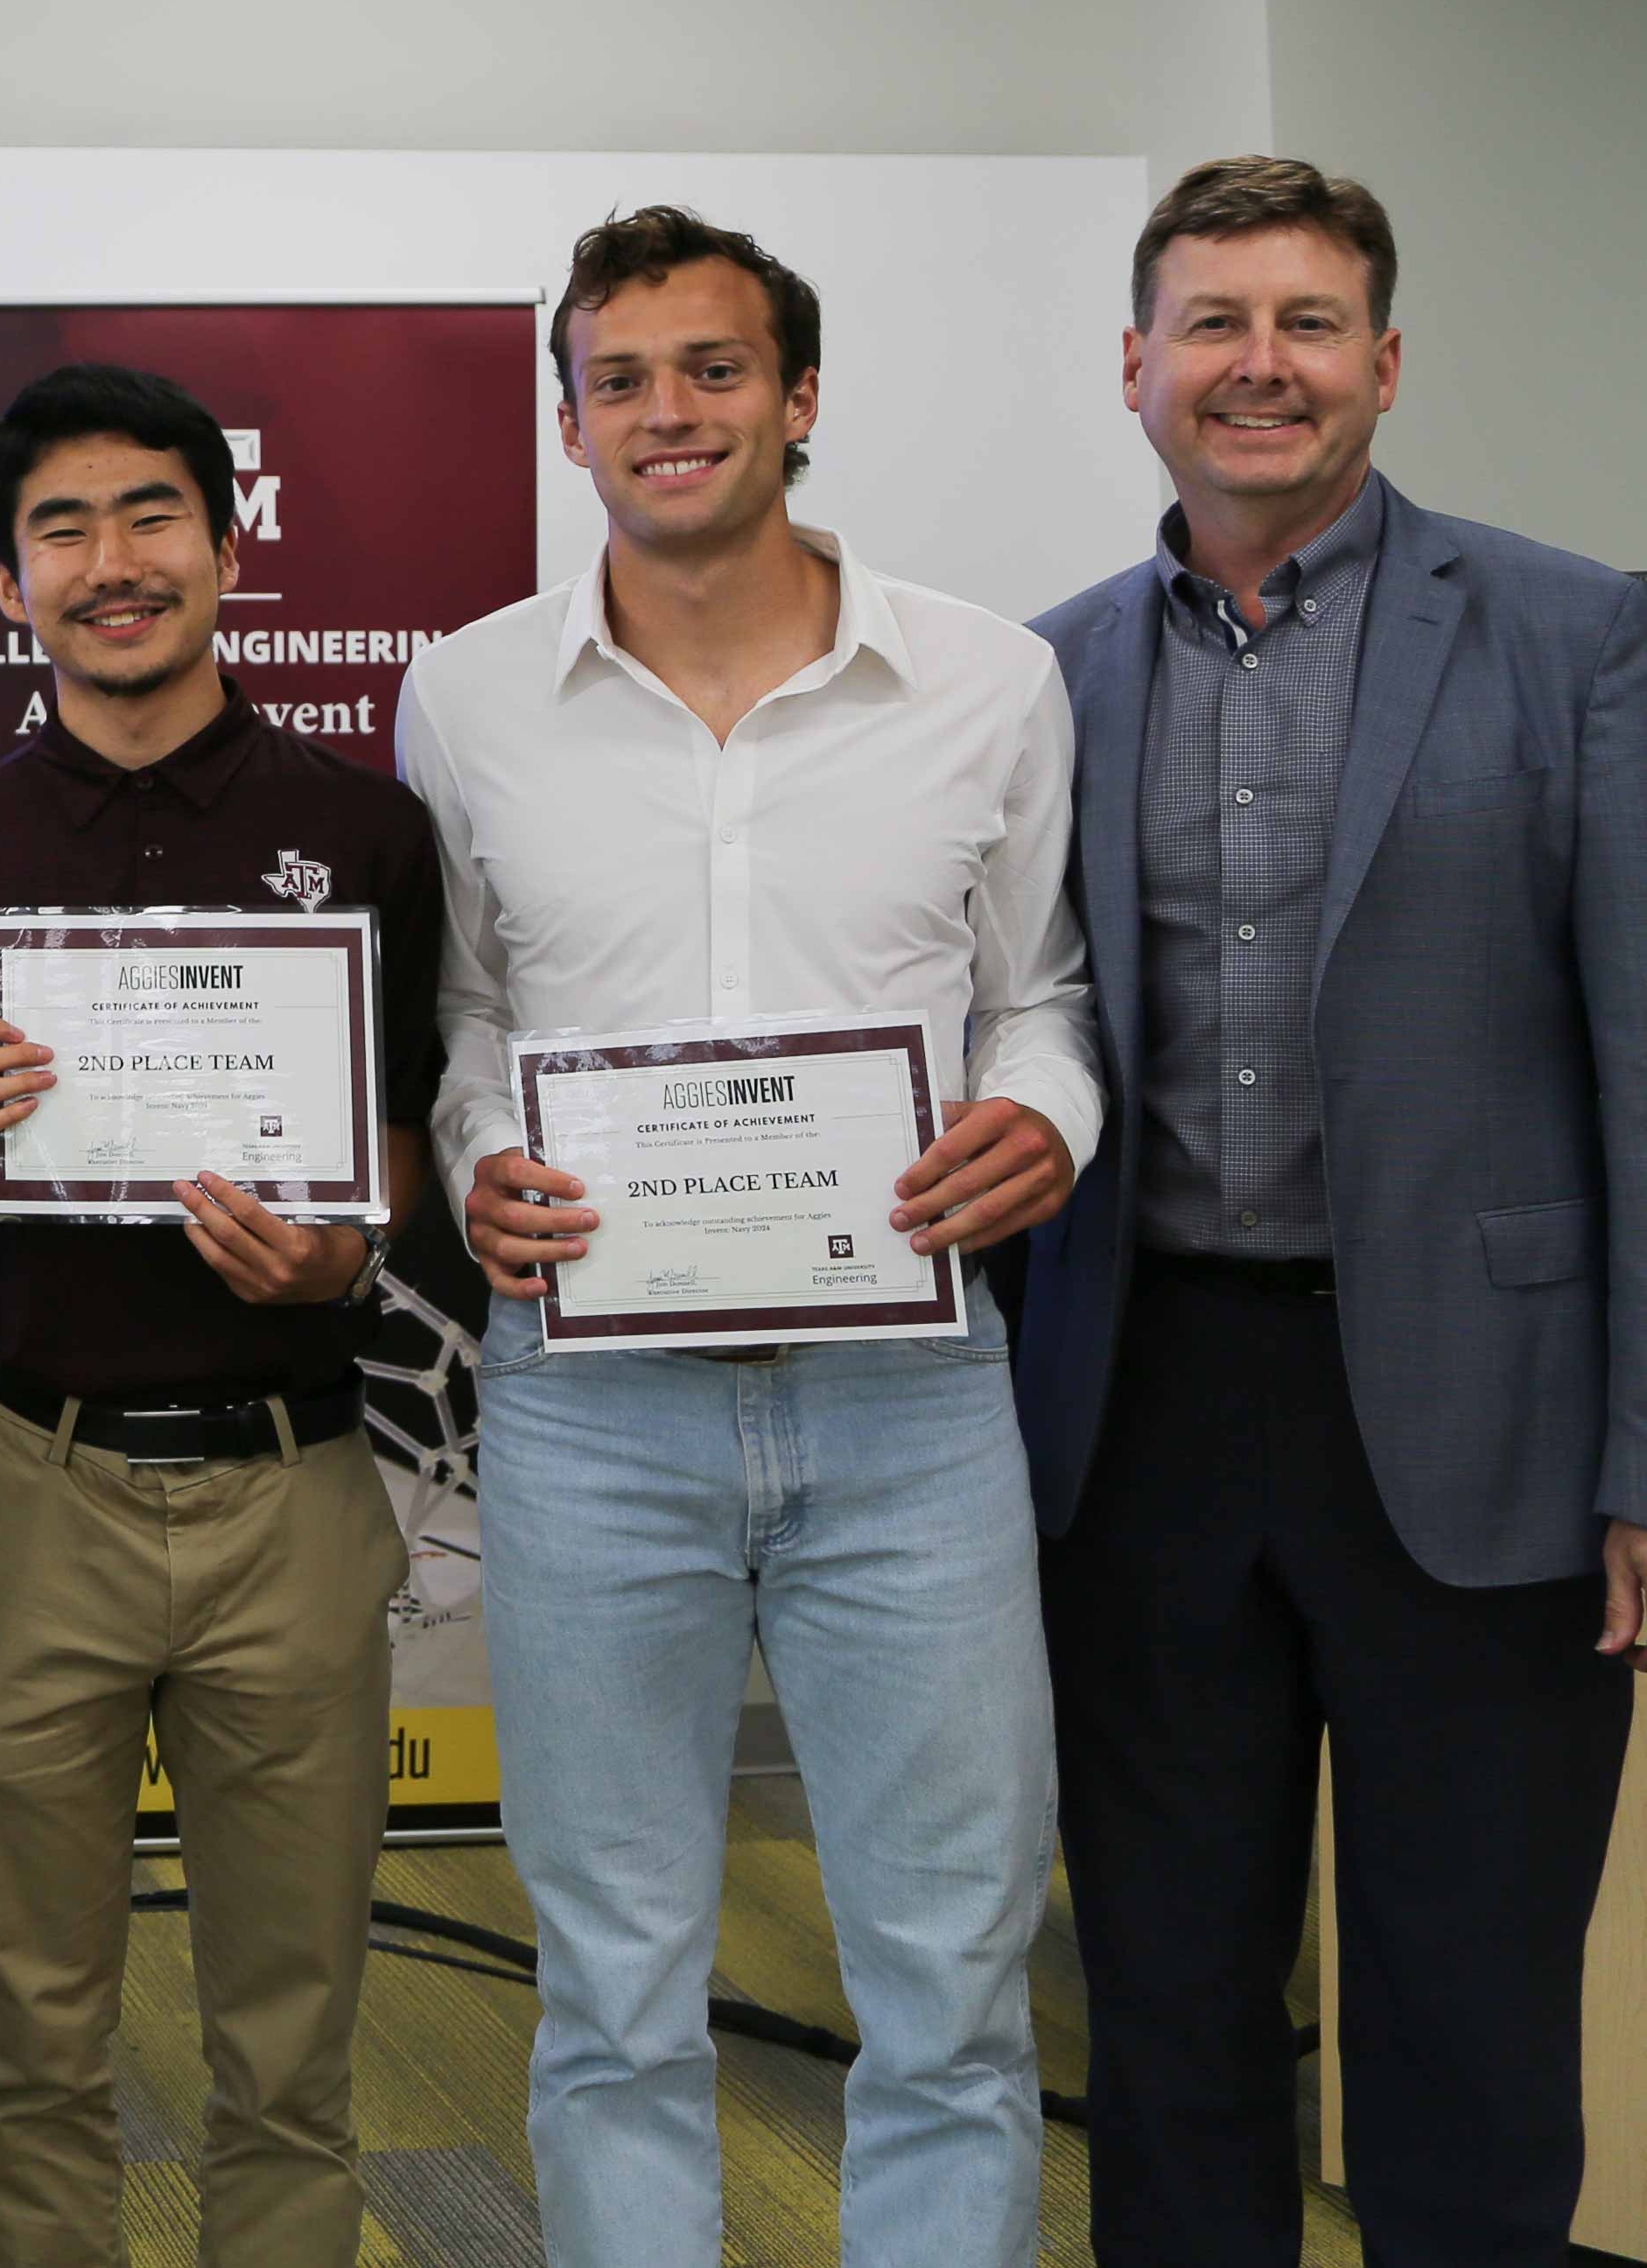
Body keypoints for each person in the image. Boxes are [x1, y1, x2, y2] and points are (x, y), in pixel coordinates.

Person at [1010, 157, 1647, 2266]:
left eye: (1309, 321)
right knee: (1164, 2005)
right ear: (1135, 366)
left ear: (1386, 362)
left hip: (1488, 1423)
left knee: (1469, 2022)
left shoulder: (1570, 633)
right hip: (1141, 1413)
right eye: (1215, 322)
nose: (1262, 365)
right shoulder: (1043, 675)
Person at [394, 210, 1097, 2267]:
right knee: (611, 1980)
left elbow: (1039, 985)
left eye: (714, 369)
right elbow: (471, 1016)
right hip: (591, 1409)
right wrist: (475, 1150)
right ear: (567, 418)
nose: (669, 412)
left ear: (799, 397)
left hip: (913, 1401)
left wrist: (1037, 1119)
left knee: (952, 1973)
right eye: (623, 378)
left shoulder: (988, 677)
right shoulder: (468, 698)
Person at [0, 363, 441, 2268]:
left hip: (293, 1482)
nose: (112, 565)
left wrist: (345, 1259)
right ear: (4, 575)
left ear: (226, 541)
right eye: (62, 530)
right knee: (36, 2035)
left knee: (290, 2040)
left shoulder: (363, 832)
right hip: (40, 1485)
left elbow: (411, 1141)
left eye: (150, 519)